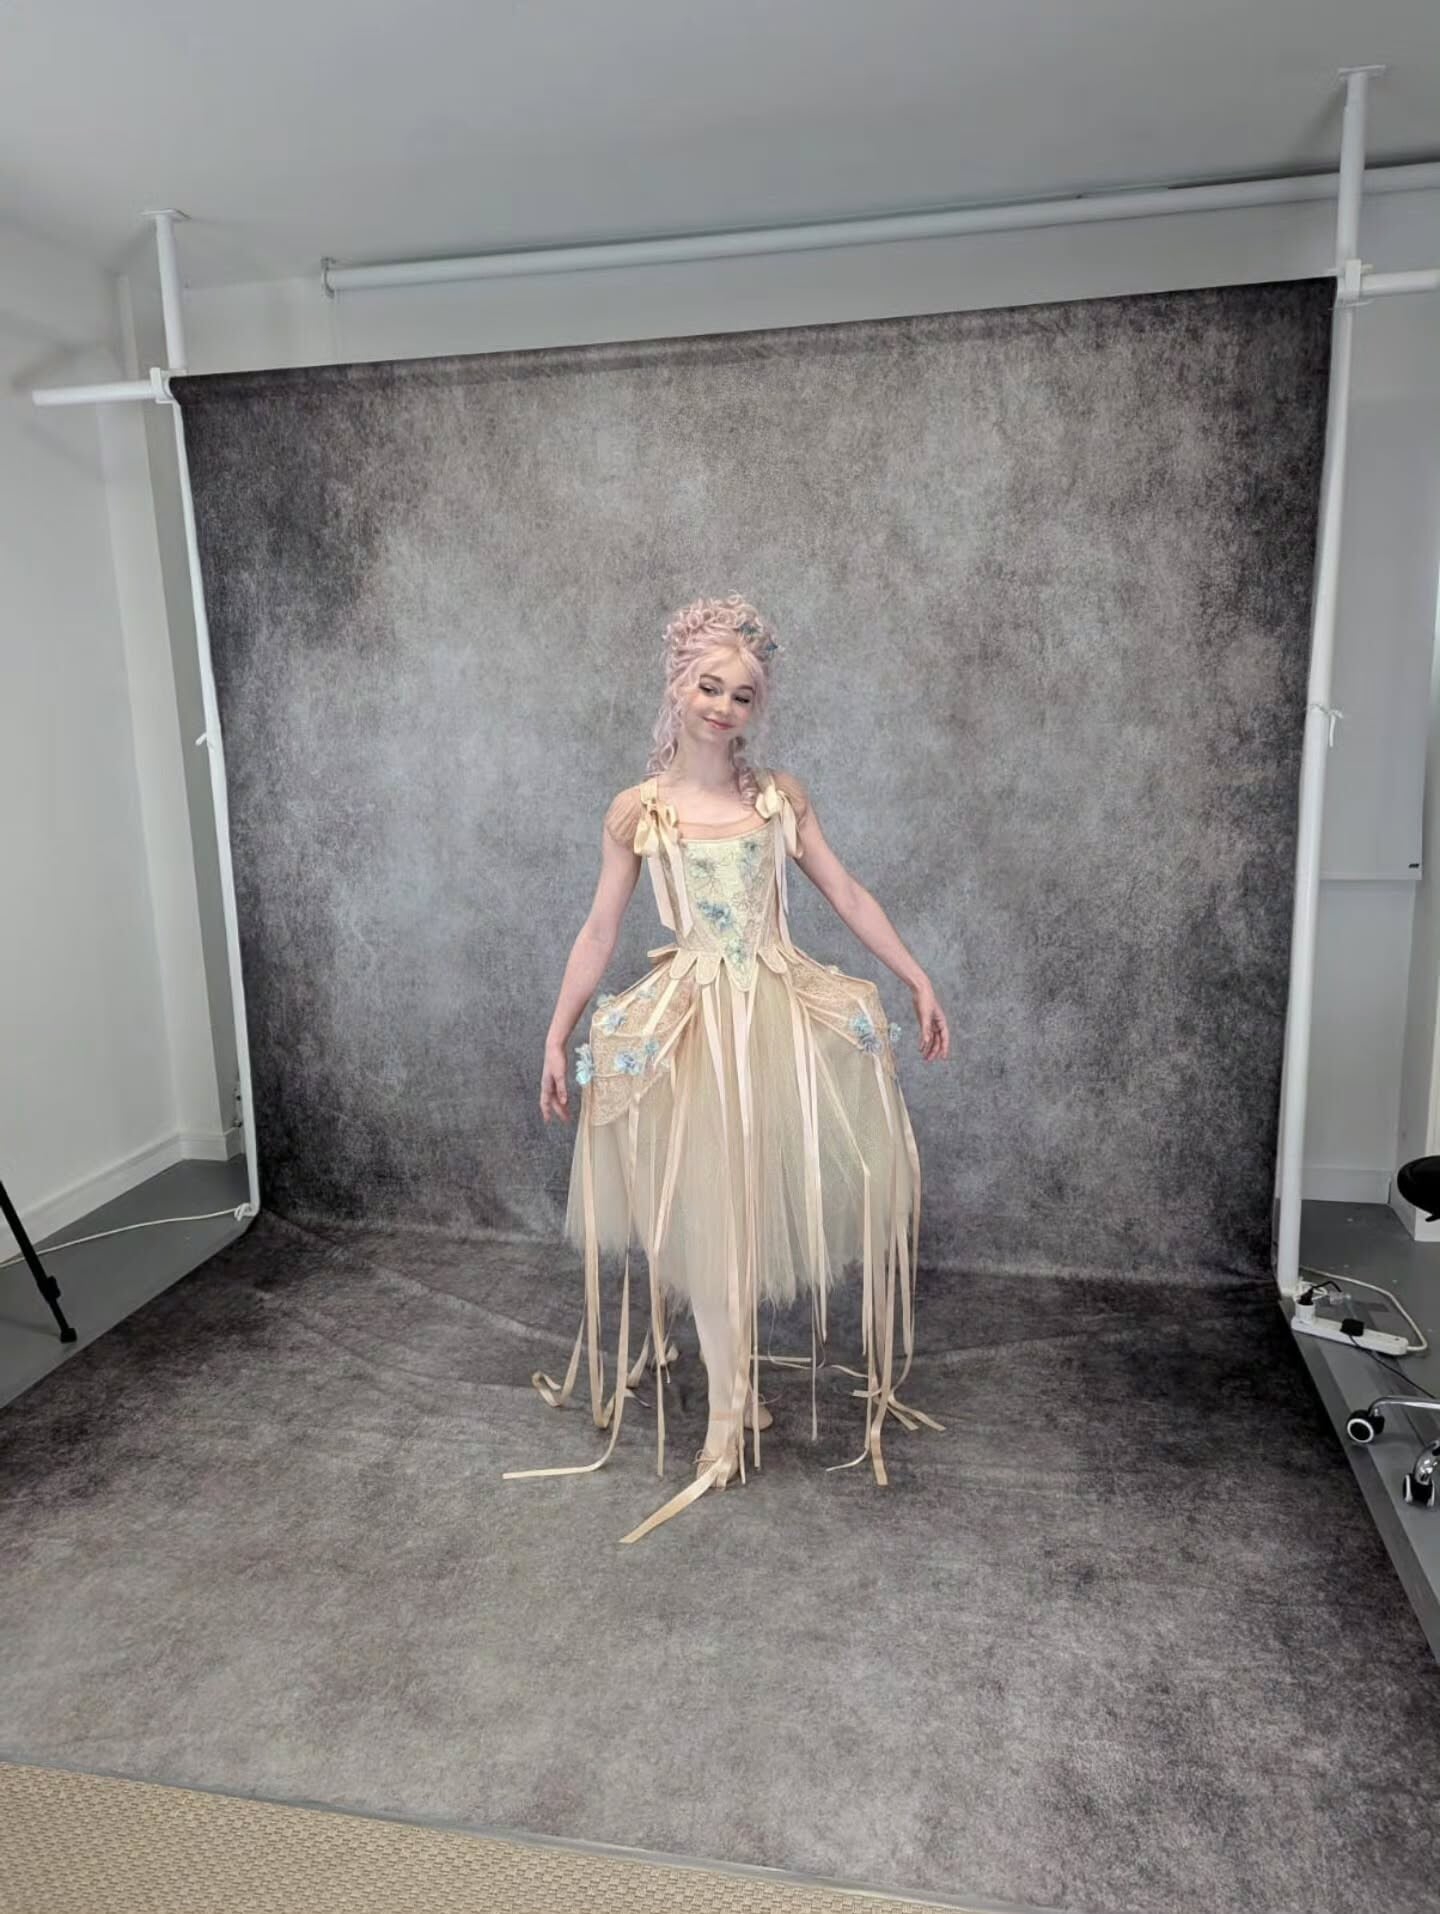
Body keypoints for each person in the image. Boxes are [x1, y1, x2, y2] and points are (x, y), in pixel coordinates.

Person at [515, 593, 950, 1543]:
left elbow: (846, 892)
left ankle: (737, 1391)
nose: (723, 707)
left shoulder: (777, 800)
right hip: (693, 1027)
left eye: (742, 695)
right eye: (708, 687)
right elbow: (600, 930)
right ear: (677, 686)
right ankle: (725, 1415)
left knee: (746, 1213)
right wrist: (557, 1031)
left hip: (774, 1019)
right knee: (705, 1217)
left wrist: (915, 975)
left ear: (758, 708)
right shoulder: (641, 812)